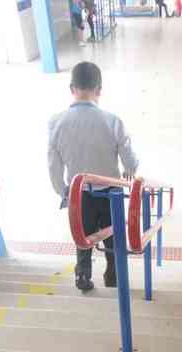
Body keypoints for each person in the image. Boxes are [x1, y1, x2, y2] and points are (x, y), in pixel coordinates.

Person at [48, 62, 139, 291]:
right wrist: (130, 169)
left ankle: (84, 275)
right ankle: (113, 275)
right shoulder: (112, 121)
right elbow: (130, 158)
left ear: (72, 88)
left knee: (83, 235)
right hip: (111, 192)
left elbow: (53, 163)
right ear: (99, 89)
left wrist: (63, 190)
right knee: (113, 235)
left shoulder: (56, 122)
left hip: (80, 194)